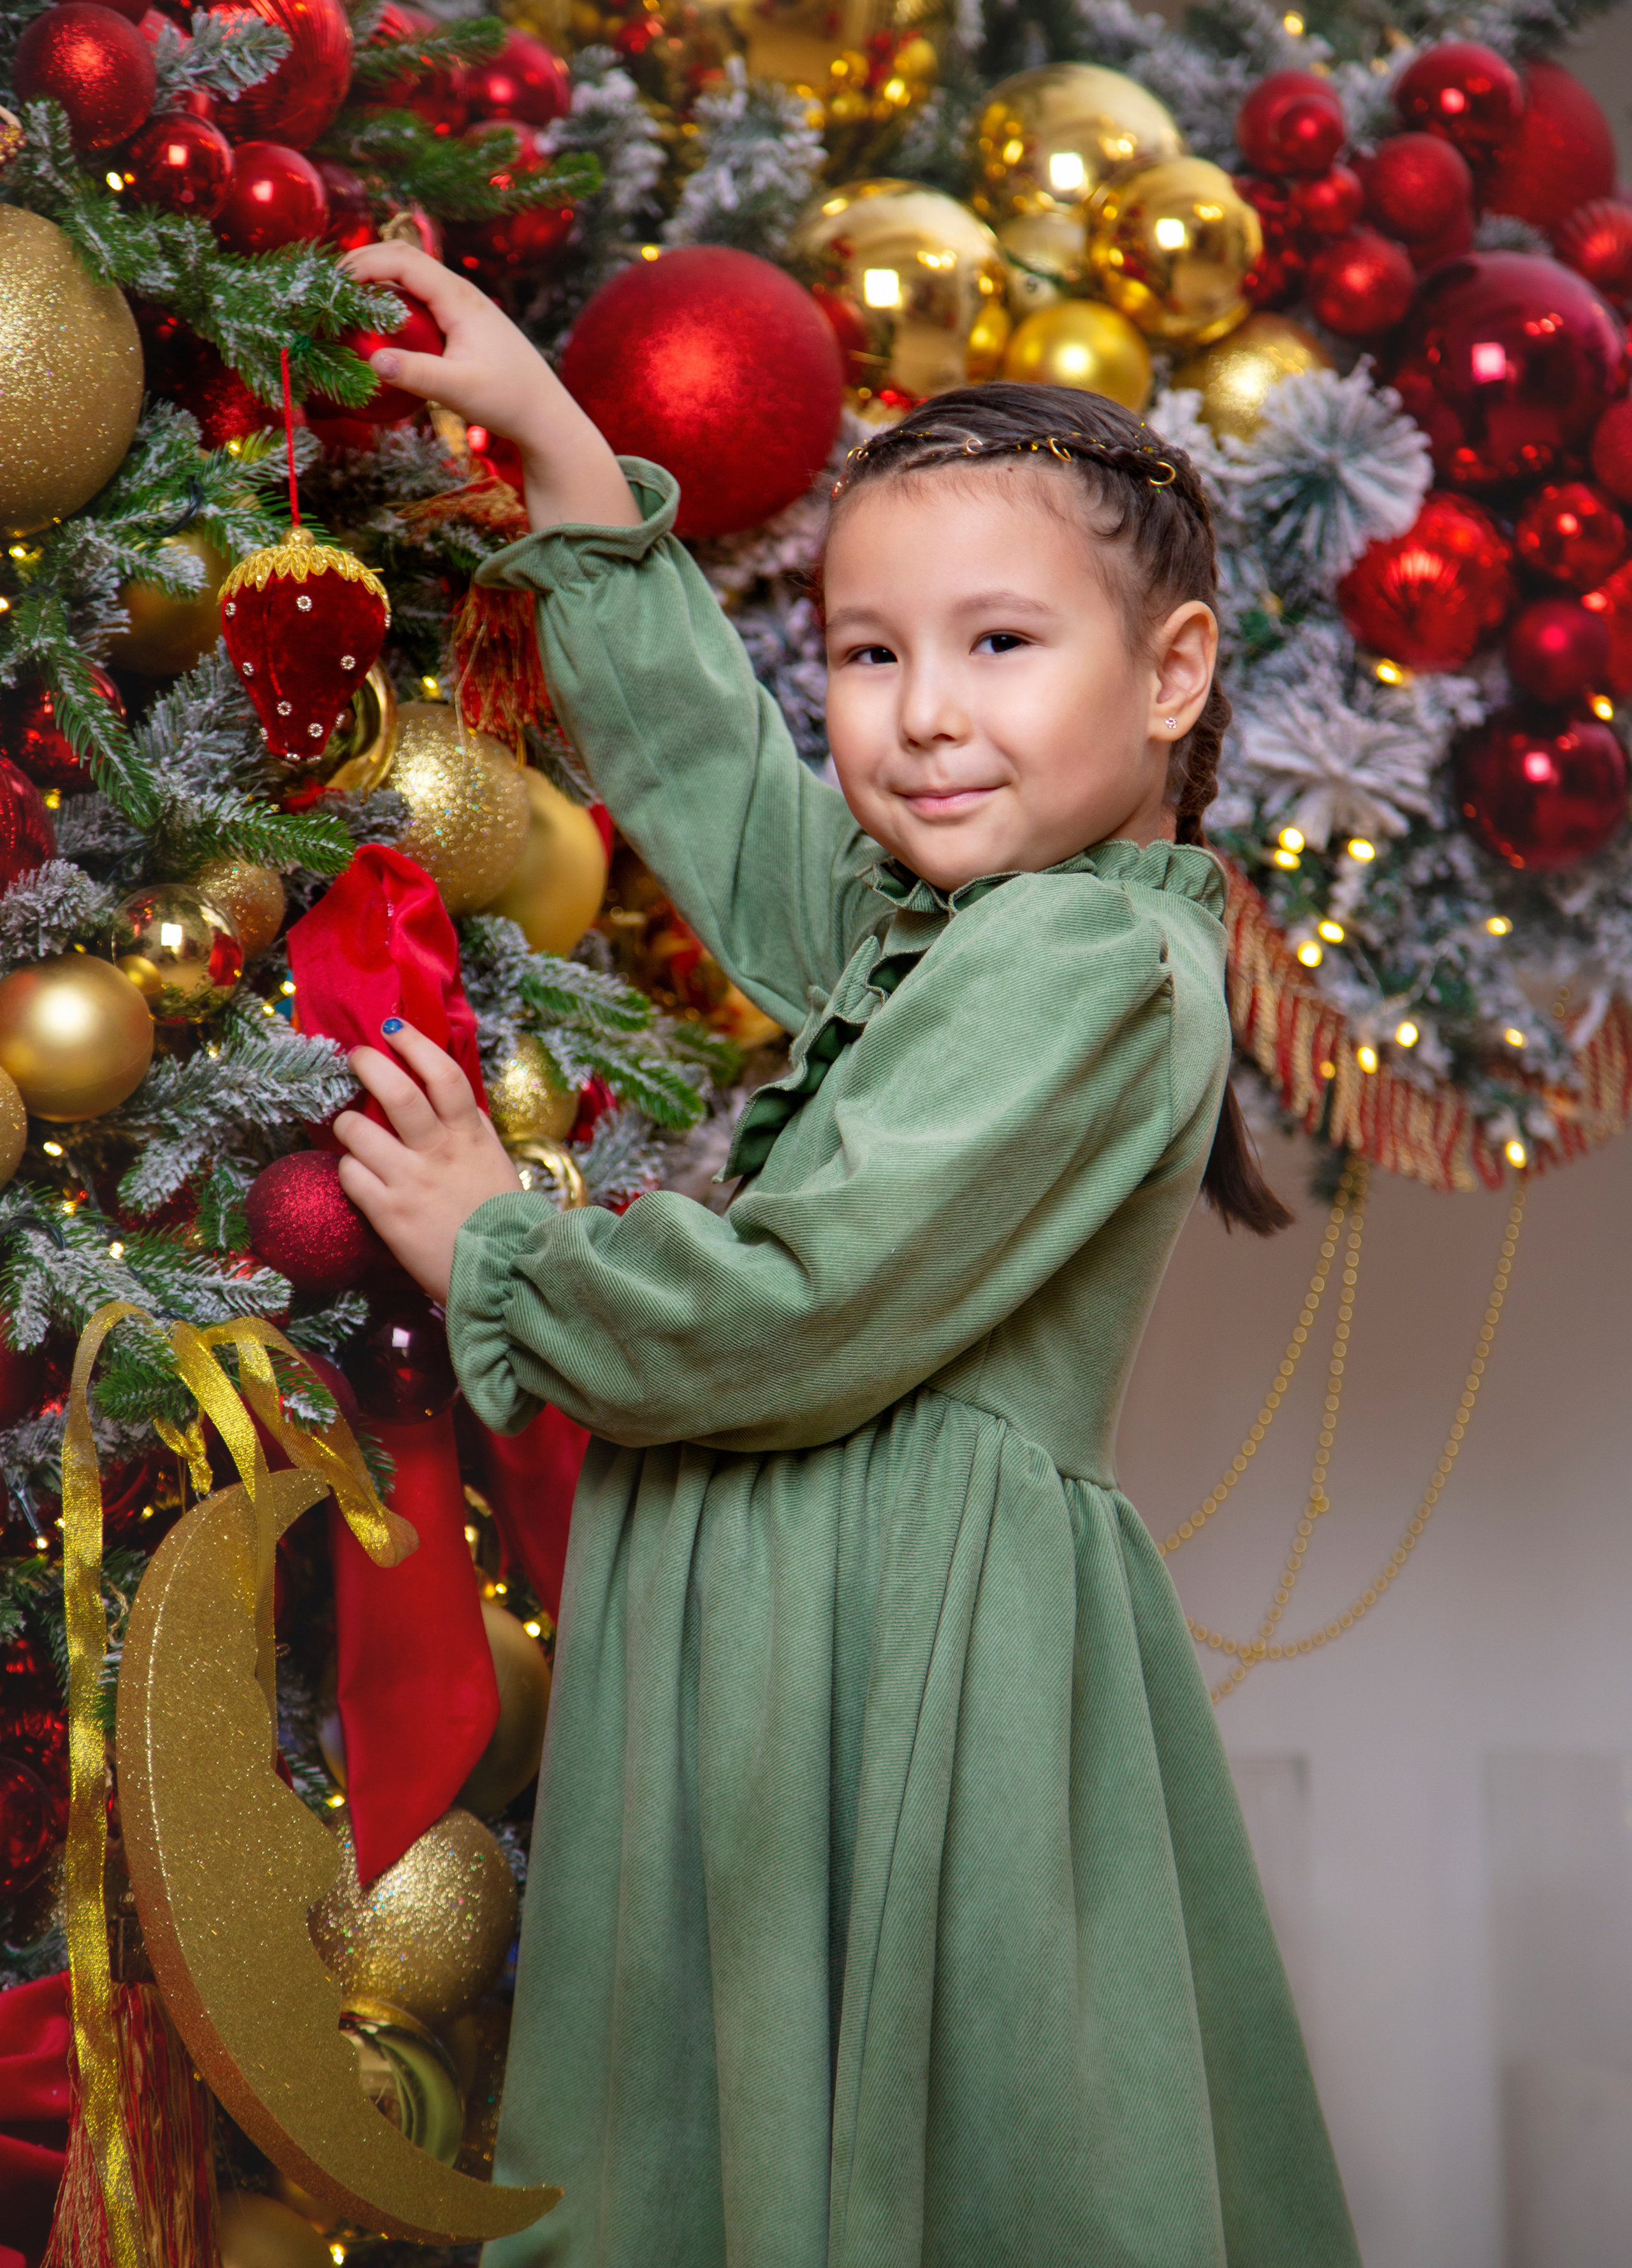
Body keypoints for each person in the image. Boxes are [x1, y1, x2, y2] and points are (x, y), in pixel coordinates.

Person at [332, 241, 1360, 2268]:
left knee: (912, 2147)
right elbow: (733, 808)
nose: (919, 719)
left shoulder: (1082, 957)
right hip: (789, 1629)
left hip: (900, 1653)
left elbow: (803, 1308)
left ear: (1170, 676)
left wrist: (505, 1251)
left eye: (997, 645)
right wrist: (559, 445)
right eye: (870, 656)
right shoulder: (962, 931)